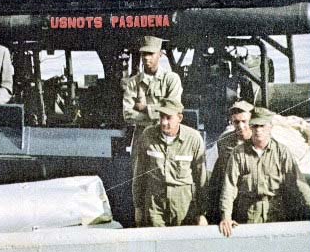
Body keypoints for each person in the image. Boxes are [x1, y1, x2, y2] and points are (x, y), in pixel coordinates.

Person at [219, 107, 310, 237]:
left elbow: (298, 184)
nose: (258, 130)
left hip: (276, 214)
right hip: (248, 216)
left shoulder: (282, 152)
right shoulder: (239, 153)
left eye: (262, 126)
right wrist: (226, 216)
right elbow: (229, 186)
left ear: (270, 127)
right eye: (255, 126)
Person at [132, 98, 207, 227]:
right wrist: (138, 207)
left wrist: (202, 213)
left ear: (180, 118)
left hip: (183, 203)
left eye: (168, 117)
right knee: (155, 241)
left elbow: (201, 179)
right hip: (155, 203)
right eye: (161, 117)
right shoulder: (148, 135)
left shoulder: (193, 139)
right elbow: (139, 174)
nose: (163, 122)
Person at [122, 36, 183, 142]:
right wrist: (158, 114)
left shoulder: (171, 79)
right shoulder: (133, 82)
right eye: (144, 54)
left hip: (165, 136)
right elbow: (127, 114)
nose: (146, 57)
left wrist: (144, 108)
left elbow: (173, 110)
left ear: (160, 55)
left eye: (151, 54)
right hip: (141, 137)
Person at [206, 100, 254, 224]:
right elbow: (217, 172)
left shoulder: (258, 141)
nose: (240, 126)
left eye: (244, 121)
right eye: (236, 122)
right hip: (229, 197)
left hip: (250, 198)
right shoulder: (224, 141)